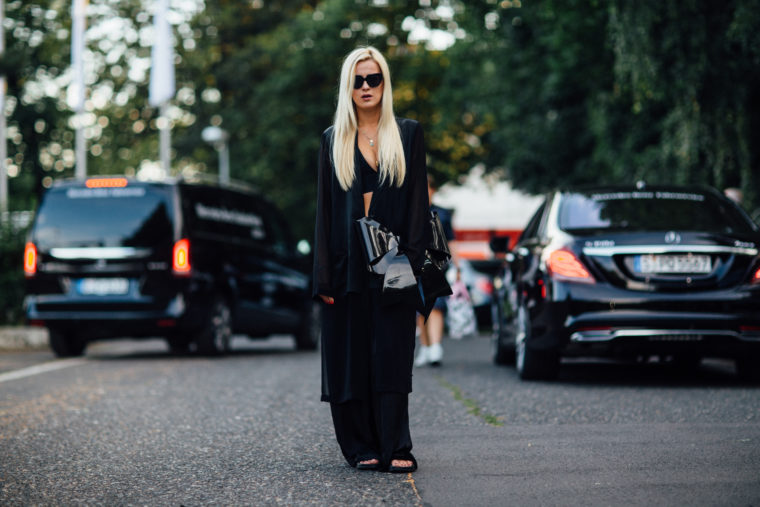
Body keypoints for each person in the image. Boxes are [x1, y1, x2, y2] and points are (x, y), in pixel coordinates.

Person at [312, 46, 429, 473]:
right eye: (358, 80)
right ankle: (361, 445)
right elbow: (325, 213)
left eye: (373, 78)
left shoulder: (408, 134)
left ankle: (396, 444)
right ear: (348, 86)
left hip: (396, 262)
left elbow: (419, 202)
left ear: (384, 83)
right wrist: (323, 278)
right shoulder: (333, 139)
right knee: (350, 357)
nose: (365, 86)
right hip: (345, 267)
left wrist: (412, 264)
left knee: (393, 354)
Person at [415, 175, 456, 367]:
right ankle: (426, 346)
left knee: (436, 307)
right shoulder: (410, 212)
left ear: (433, 190)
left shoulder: (442, 214)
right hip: (413, 265)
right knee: (419, 309)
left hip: (436, 266)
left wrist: (457, 267)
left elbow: (451, 242)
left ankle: (435, 346)